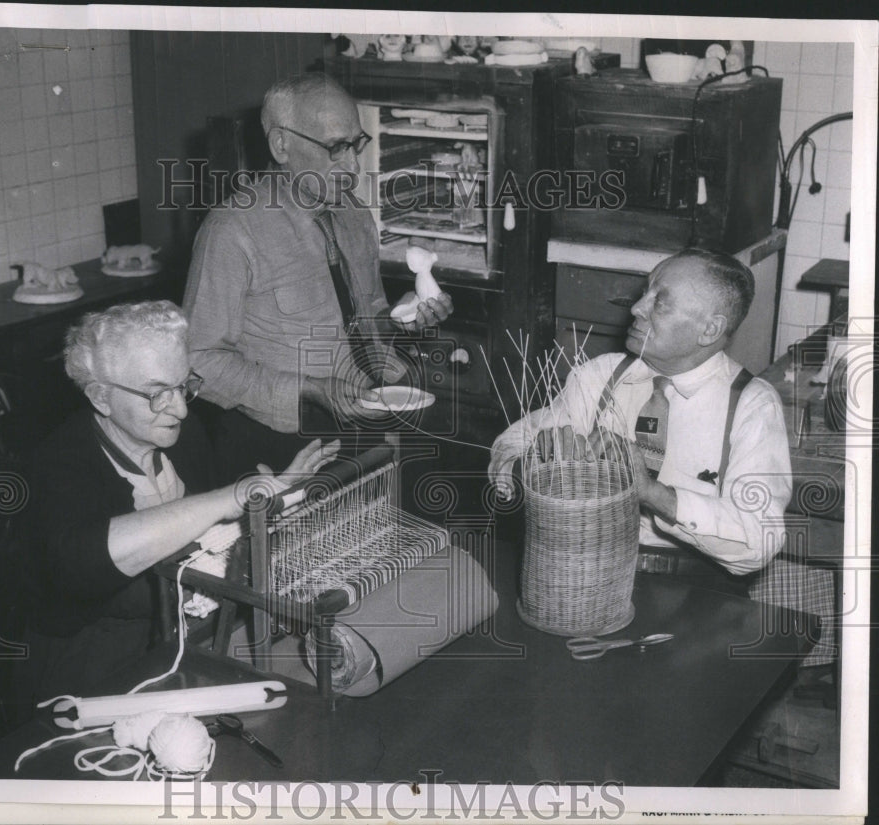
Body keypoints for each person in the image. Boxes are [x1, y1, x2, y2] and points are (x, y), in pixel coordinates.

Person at [15, 301, 338, 702]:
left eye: (184, 385)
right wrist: (232, 497)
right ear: (100, 397)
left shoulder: (184, 435)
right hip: (91, 668)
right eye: (157, 394)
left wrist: (280, 493)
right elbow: (88, 560)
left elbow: (210, 534)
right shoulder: (56, 464)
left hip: (184, 638)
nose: (181, 408)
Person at [182, 72, 453, 476]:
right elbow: (197, 360)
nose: (352, 165)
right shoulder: (232, 231)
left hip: (360, 428)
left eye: (356, 144)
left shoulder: (354, 215)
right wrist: (309, 389)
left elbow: (368, 318)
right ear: (281, 144)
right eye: (335, 148)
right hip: (274, 451)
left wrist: (406, 317)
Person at [488, 248, 792, 586]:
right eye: (645, 292)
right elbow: (512, 442)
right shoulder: (600, 375)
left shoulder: (753, 405)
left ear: (709, 330)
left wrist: (651, 492)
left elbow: (760, 542)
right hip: (586, 568)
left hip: (693, 586)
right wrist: (532, 466)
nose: (636, 307)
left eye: (659, 302)